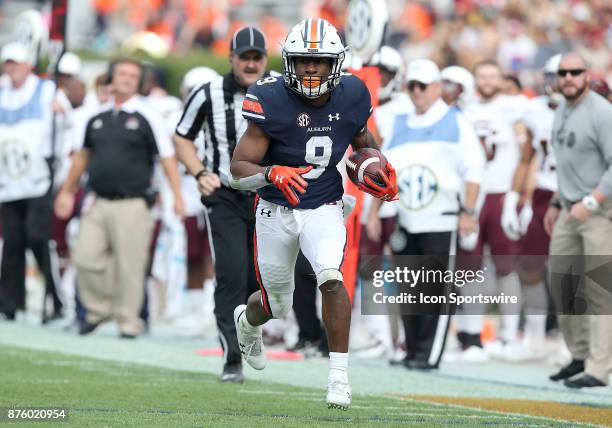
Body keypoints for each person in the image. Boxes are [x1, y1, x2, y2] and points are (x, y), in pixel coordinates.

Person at [228, 18, 397, 410]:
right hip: (275, 206)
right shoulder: (269, 97)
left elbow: (362, 143)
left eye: (319, 61)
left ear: (335, 64)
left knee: (330, 276)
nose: (310, 68)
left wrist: (376, 168)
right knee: (276, 304)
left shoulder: (353, 92)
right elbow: (238, 171)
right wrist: (271, 172)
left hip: (323, 203)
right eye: (303, 60)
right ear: (289, 61)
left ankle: (339, 377)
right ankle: (247, 322)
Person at [54, 58, 184, 338]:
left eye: (133, 75)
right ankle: (98, 311)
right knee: (86, 258)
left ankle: (129, 321)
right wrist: (66, 190)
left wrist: (177, 197)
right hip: (98, 200)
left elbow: (167, 158)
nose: (127, 79)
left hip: (133, 202)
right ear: (112, 79)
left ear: (139, 82)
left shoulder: (148, 116)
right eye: (122, 74)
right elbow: (81, 157)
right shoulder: (96, 117)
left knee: (130, 266)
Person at [368, 59, 484, 370]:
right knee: (409, 289)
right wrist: (374, 212)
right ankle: (412, 349)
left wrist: (469, 212)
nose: (417, 92)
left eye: (423, 86)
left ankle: (428, 353)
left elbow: (474, 168)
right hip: (406, 218)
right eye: (412, 86)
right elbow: (385, 170)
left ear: (436, 87)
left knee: (435, 288)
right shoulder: (400, 123)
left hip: (441, 217)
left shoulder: (455, 120)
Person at [173, 26, 274, 383]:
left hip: (269, 196)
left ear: (265, 59)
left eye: (256, 57)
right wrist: (200, 172)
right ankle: (232, 357)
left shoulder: (280, 89)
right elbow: (182, 137)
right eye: (243, 57)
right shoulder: (208, 93)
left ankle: (253, 334)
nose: (250, 63)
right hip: (226, 196)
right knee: (231, 274)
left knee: (260, 279)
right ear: (231, 58)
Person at [544, 53, 612, 389]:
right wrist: (557, 200)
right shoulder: (562, 111)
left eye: (575, 72)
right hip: (569, 207)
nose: (569, 77)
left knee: (599, 288)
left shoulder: (602, 112)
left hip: (599, 210)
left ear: (587, 74)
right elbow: (565, 162)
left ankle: (599, 370)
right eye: (563, 73)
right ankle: (580, 355)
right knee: (563, 283)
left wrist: (591, 200)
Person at [0, 42, 71, 322]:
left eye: (16, 63)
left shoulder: (47, 90)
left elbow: (68, 128)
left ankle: (56, 298)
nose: (11, 68)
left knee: (38, 238)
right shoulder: (2, 91)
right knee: (13, 241)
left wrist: (60, 115)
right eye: (8, 63)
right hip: (8, 180)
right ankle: (9, 302)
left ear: (28, 65)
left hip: (39, 178)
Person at [499, 54, 562, 361]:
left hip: (575, 196)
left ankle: (569, 341)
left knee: (571, 270)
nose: (558, 83)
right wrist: (514, 199)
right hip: (543, 192)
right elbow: (526, 157)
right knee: (530, 266)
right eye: (553, 76)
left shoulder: (591, 111)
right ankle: (535, 337)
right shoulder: (535, 110)